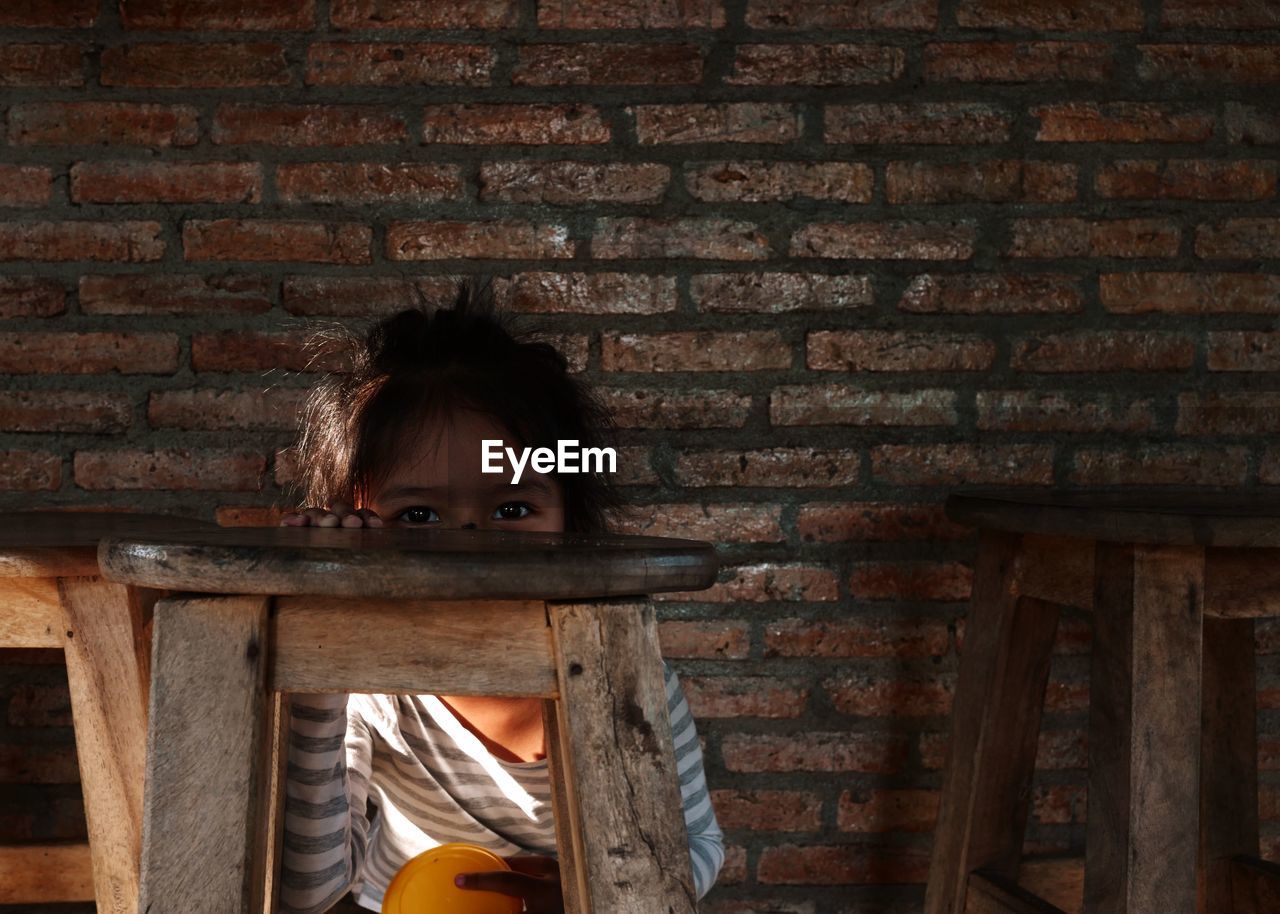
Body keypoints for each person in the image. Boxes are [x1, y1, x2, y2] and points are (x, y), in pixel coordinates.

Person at [275, 279, 724, 914]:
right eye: (419, 517)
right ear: (356, 526)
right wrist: (315, 637)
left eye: (512, 507)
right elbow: (309, 891)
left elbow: (699, 842)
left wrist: (600, 887)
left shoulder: (626, 678)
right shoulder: (369, 690)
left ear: (572, 518)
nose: (471, 548)